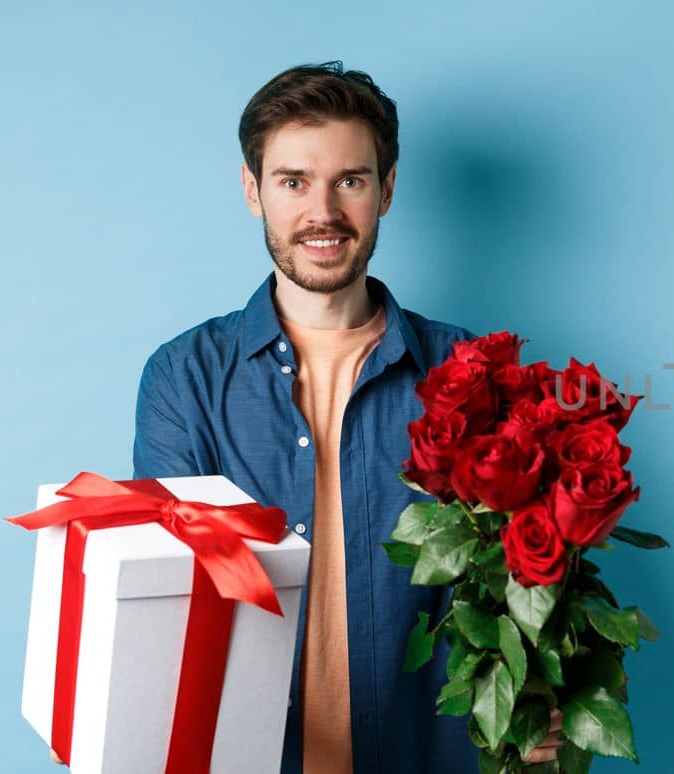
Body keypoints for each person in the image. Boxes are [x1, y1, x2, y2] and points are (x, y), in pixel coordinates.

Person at [115, 61, 562, 773]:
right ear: (252, 190)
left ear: (385, 190)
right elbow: (169, 599)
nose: (321, 212)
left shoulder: (473, 373)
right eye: (293, 181)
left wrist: (544, 694)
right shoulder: (185, 379)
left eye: (349, 180)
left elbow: (532, 580)